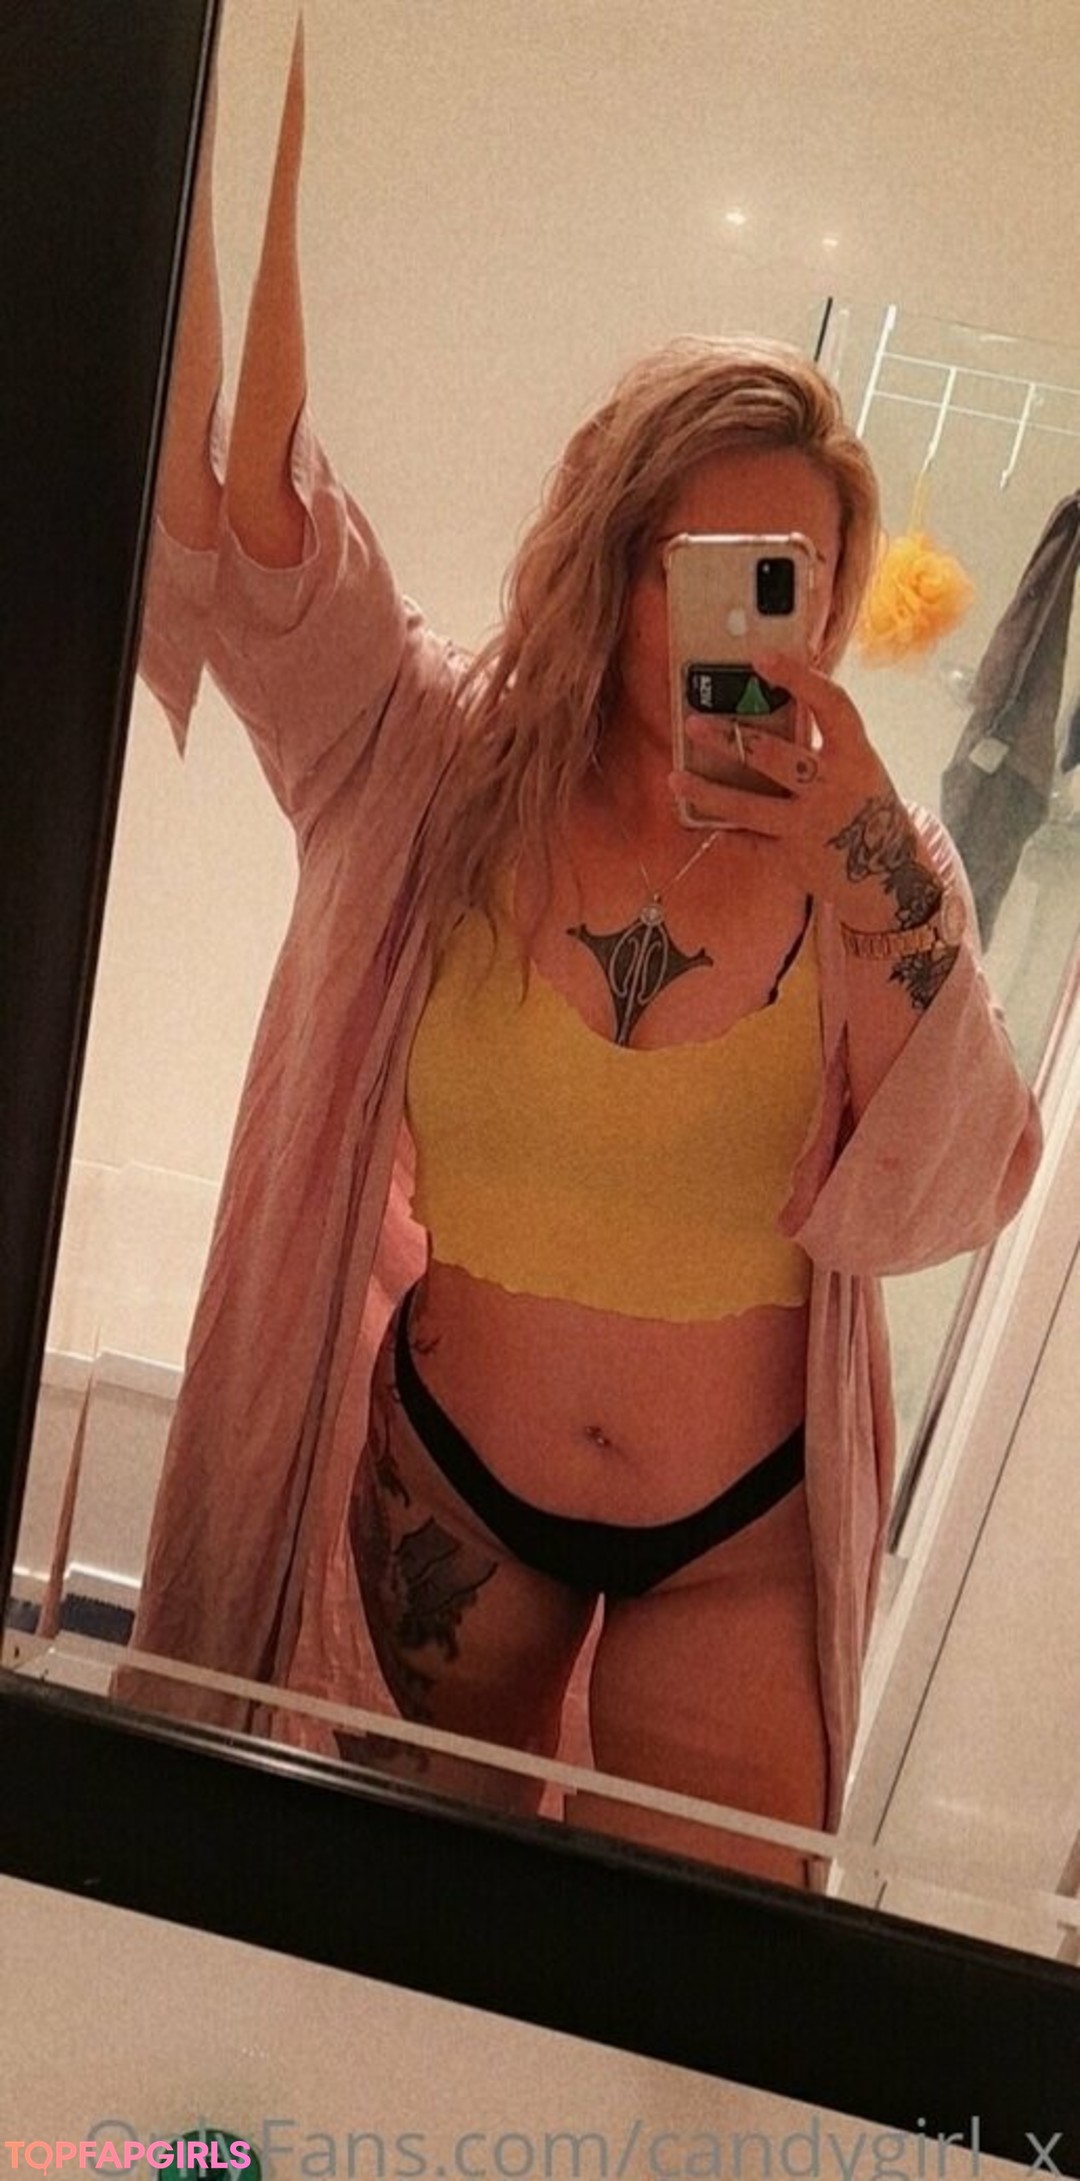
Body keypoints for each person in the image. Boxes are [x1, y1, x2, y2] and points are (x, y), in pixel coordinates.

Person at [128, 33, 1041, 1887]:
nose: (747, 624)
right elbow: (275, 553)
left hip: (739, 1537)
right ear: (613, 564)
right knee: (406, 1923)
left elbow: (963, 1175)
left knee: (680, 1980)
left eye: (795, 577)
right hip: (453, 1484)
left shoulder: (874, 860)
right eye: (704, 569)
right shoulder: (434, 760)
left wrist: (864, 850)